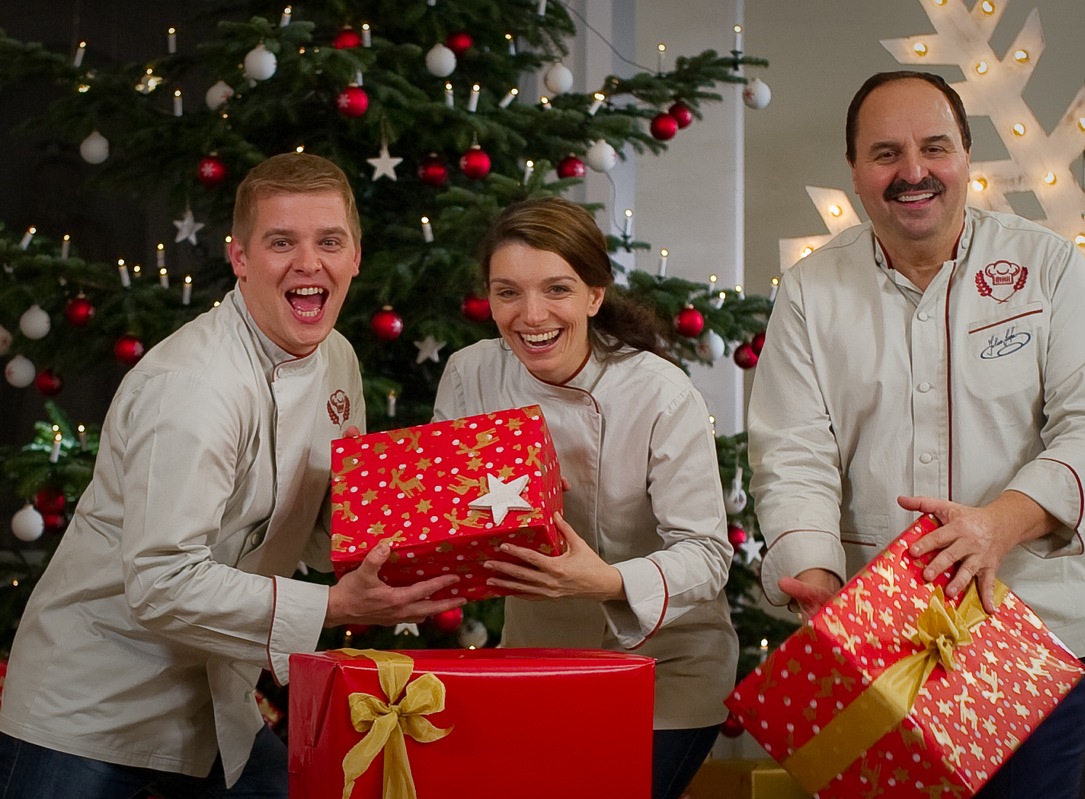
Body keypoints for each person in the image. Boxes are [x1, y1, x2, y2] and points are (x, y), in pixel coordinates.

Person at [0, 152, 466, 799]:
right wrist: (336, 605)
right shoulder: (193, 387)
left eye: (329, 241)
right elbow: (160, 583)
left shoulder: (337, 359)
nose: (309, 262)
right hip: (93, 706)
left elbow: (314, 528)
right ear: (240, 258)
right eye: (282, 242)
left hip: (216, 697)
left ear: (355, 255)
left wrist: (445, 538)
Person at [747, 71, 1085, 799]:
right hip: (877, 637)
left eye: (934, 147)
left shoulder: (1048, 267)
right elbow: (794, 448)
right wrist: (817, 571)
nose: (913, 172)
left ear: (967, 156)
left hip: (1031, 626)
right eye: (885, 153)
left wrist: (998, 525)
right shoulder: (810, 292)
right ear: (856, 171)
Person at [433, 196, 738, 799]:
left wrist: (605, 582)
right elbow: (450, 518)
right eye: (507, 292)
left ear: (595, 296)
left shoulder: (659, 391)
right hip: (538, 657)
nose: (531, 314)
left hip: (666, 665)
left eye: (557, 289)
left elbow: (707, 554)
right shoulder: (471, 374)